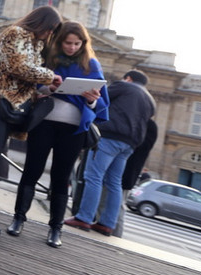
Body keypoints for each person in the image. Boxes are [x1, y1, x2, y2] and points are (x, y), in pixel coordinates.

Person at [0, 6, 63, 235]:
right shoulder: (15, 33)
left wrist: (40, 91)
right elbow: (16, 66)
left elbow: (22, 77)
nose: (50, 34)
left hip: (10, 104)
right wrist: (50, 76)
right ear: (40, 22)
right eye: (50, 29)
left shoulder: (34, 44)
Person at [7, 21, 109, 248]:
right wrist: (47, 88)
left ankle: (55, 229)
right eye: (67, 43)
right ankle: (18, 219)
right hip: (44, 123)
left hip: (73, 129)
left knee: (61, 179)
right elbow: (31, 87)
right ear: (59, 41)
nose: (72, 47)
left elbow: (100, 103)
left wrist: (91, 101)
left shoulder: (91, 65)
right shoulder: (48, 60)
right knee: (32, 171)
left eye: (77, 44)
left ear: (83, 43)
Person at [65, 70, 156, 235]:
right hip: (129, 144)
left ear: (128, 78)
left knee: (93, 176)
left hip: (110, 136)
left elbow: (100, 98)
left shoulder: (124, 86)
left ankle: (84, 218)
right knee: (114, 182)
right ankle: (107, 223)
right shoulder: (150, 100)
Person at [110, 119, 157, 237]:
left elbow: (140, 148)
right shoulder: (142, 123)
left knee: (117, 207)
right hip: (121, 173)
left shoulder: (148, 126)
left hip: (126, 174)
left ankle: (115, 236)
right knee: (112, 206)